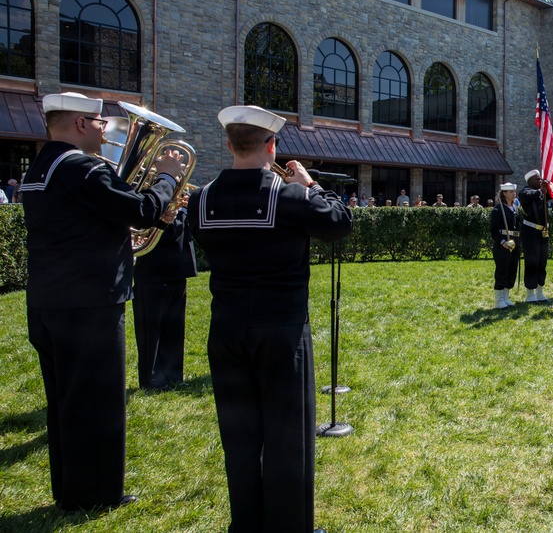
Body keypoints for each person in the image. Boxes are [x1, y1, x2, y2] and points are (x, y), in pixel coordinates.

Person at [189, 105, 352, 532]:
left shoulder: (200, 198)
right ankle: (289, 525)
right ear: (272, 145)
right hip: (281, 330)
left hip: (226, 329)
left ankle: (246, 523)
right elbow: (339, 221)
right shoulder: (290, 195)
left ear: (228, 144)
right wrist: (310, 182)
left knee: (239, 435)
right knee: (287, 435)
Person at [22, 91, 184, 511]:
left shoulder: (42, 165)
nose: (104, 128)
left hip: (50, 301)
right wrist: (166, 176)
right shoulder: (81, 169)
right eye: (97, 122)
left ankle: (71, 490)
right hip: (89, 304)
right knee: (98, 402)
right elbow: (143, 210)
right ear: (78, 124)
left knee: (67, 402)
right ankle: (97, 495)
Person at [132, 197, 197, 391]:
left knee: (174, 328)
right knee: (150, 331)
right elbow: (150, 228)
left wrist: (186, 209)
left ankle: (173, 375)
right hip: (152, 270)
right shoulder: (150, 195)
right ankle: (151, 379)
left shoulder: (175, 194)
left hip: (177, 267)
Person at [518, 170, 553, 302]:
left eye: (540, 179)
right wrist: (541, 191)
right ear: (529, 181)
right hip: (530, 232)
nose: (539, 181)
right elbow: (529, 195)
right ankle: (530, 293)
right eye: (537, 179)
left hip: (543, 232)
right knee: (532, 262)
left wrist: (548, 185)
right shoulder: (525, 192)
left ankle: (539, 291)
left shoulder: (541, 193)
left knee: (542, 262)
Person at [490, 183, 521, 309]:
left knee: (512, 269)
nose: (514, 194)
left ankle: (506, 297)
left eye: (514, 191)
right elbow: (494, 229)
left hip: (515, 242)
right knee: (502, 270)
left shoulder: (516, 208)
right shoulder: (498, 210)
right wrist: (502, 242)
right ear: (504, 194)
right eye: (511, 192)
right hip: (503, 244)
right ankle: (499, 300)